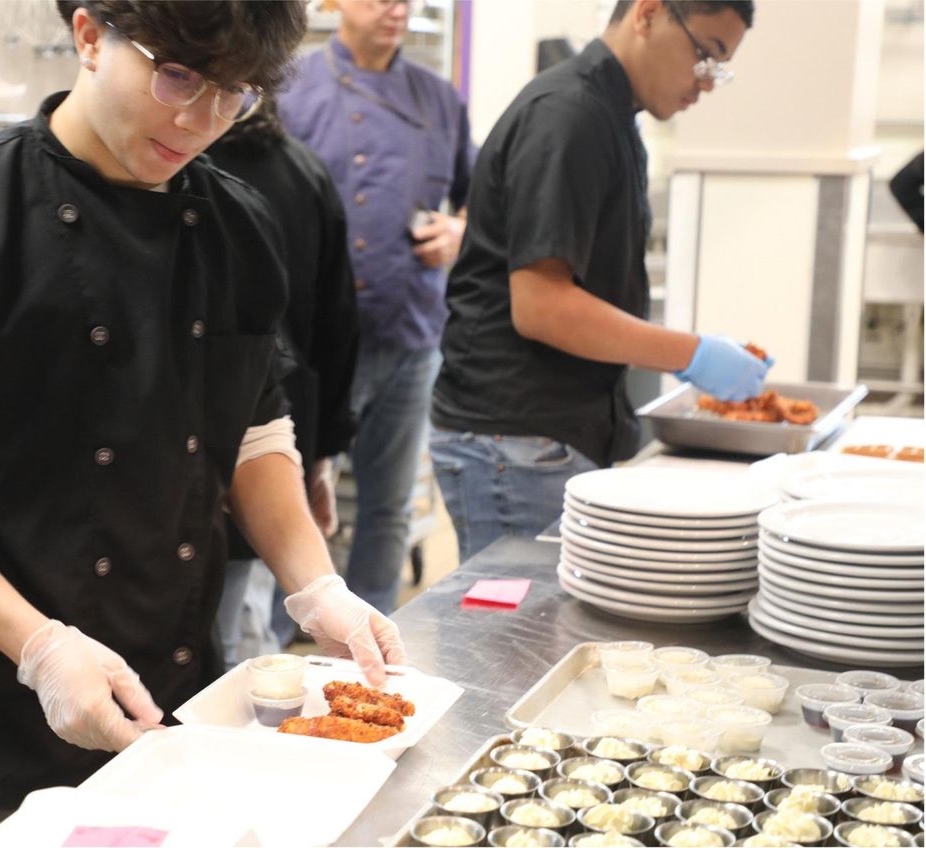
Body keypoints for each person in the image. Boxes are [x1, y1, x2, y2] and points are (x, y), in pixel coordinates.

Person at [0, 3, 404, 845]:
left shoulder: (237, 224)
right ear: (89, 36)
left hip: (173, 705)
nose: (198, 121)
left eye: (231, 93)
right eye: (178, 75)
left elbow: (254, 429)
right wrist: (42, 649)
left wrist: (319, 590)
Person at [431, 0, 768, 561]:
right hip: (513, 438)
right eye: (704, 56)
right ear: (648, 13)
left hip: (544, 434)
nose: (705, 84)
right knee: (522, 640)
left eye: (719, 68)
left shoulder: (611, 115)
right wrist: (693, 353)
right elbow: (541, 306)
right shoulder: (570, 113)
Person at [278, 0, 475, 615]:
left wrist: (458, 232)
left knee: (388, 507)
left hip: (412, 329)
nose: (396, 11)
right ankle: (285, 640)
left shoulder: (438, 98)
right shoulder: (290, 88)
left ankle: (376, 639)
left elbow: (476, 203)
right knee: (295, 498)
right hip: (317, 341)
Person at [206, 100, 360, 667]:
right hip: (282, 435)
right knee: (243, 619)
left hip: (266, 438)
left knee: (239, 634)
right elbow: (337, 332)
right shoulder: (302, 170)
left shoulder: (239, 193)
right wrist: (321, 456)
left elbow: (331, 327)